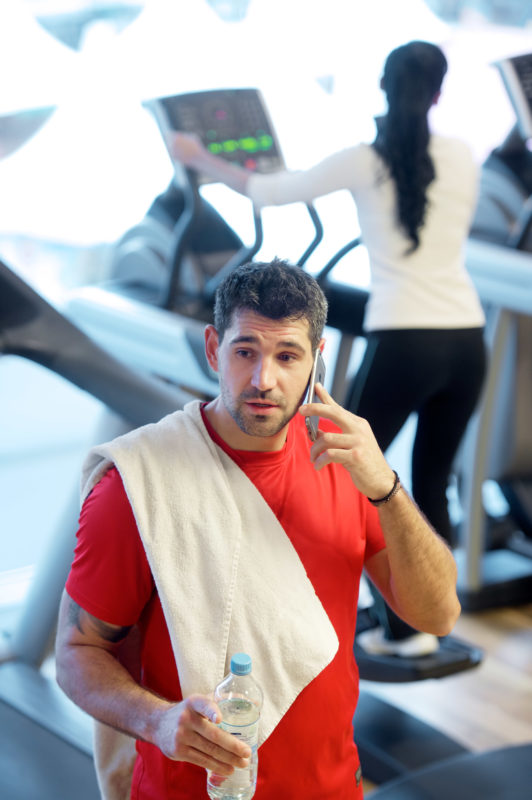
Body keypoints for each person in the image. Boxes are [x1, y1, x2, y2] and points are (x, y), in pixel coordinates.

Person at [55, 259, 460, 800]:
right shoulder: (138, 484)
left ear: (318, 360)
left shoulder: (348, 467)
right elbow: (77, 653)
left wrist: (386, 486)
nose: (262, 380)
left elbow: (437, 614)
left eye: (287, 356)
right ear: (212, 349)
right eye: (245, 351)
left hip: (332, 786)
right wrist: (156, 723)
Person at [168, 40, 487, 656]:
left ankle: (326, 614)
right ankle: (411, 631)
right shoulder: (463, 156)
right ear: (439, 93)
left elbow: (268, 191)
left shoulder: (367, 159)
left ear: (383, 89)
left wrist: (197, 156)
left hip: (405, 341)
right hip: (467, 342)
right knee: (431, 479)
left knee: (338, 466)